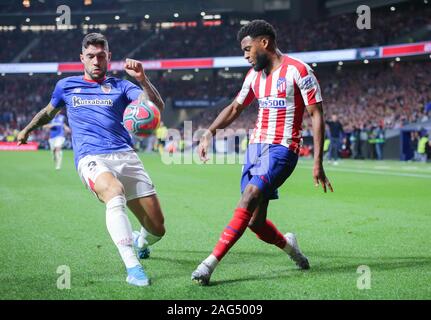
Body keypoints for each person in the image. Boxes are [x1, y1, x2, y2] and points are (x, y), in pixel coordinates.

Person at [17, 33, 166, 287]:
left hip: (126, 155)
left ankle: (141, 241)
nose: (96, 61)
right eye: (90, 56)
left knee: (157, 229)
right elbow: (48, 113)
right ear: (81, 59)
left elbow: (155, 107)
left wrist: (143, 80)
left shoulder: (121, 85)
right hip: (92, 157)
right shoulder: (66, 86)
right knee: (114, 193)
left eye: (101, 56)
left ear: (109, 57)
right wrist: (27, 129)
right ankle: (133, 267)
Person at [191, 20, 333, 286]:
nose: (245, 55)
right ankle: (291, 248)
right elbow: (235, 108)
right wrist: (209, 132)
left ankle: (209, 264)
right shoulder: (254, 77)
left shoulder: (299, 71)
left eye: (247, 49)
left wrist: (318, 162)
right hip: (255, 148)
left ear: (264, 43)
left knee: (249, 196)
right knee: (255, 222)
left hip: (282, 148)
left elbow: (317, 114)